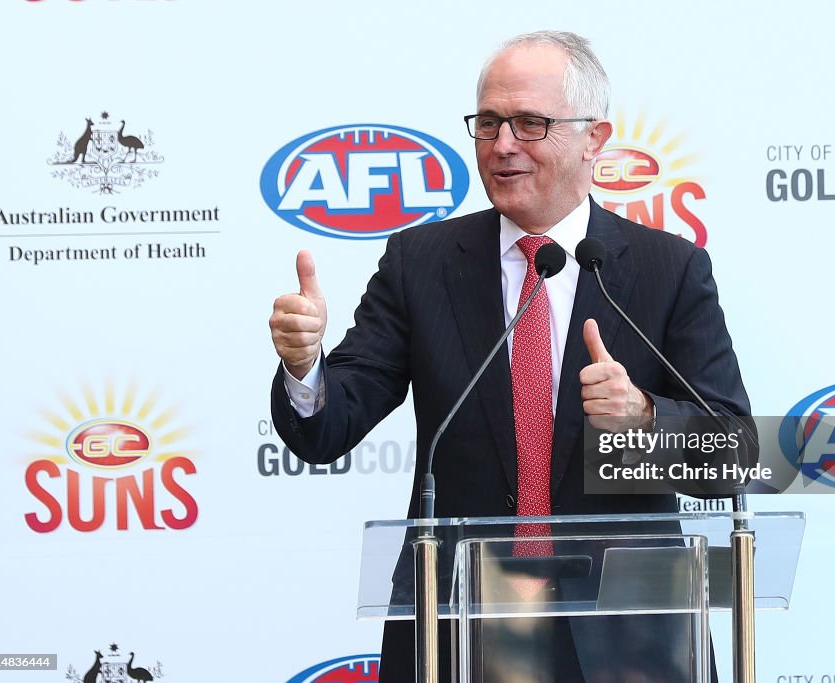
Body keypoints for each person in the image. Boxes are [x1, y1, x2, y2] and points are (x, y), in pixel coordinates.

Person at [270, 30, 752, 683]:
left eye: (529, 123)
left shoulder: (668, 269)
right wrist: (306, 367)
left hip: (626, 641)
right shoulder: (422, 264)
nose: (501, 145)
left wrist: (642, 415)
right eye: (489, 122)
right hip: (461, 631)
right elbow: (331, 424)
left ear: (594, 139)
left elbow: (734, 456)